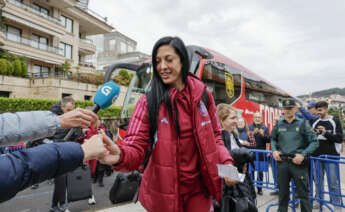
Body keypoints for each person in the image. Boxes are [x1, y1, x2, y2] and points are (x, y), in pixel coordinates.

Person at [98, 36, 236, 212]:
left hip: (200, 191)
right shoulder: (149, 101)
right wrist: (120, 156)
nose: (162, 66)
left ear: (183, 61)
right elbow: (136, 143)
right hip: (162, 195)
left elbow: (215, 137)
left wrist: (226, 162)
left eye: (169, 59)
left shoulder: (203, 95)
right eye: (158, 61)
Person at [0, 109, 106, 203]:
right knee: (61, 184)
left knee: (72, 180)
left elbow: (4, 125)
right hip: (65, 155)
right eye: (68, 109)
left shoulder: (82, 126)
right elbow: (10, 172)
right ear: (62, 107)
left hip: (68, 155)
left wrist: (57, 121)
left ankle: (66, 202)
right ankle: (57, 205)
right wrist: (79, 151)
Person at [271, 99, 318, 212]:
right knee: (282, 195)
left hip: (298, 164)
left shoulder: (302, 123)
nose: (288, 111)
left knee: (303, 196)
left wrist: (303, 154)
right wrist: (274, 150)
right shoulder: (279, 123)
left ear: (295, 109)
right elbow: (273, 138)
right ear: (283, 110)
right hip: (282, 163)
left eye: (291, 108)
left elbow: (314, 141)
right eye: (286, 108)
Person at [48, 96, 84, 212]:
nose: (70, 113)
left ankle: (54, 206)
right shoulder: (53, 118)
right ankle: (62, 205)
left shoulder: (75, 119)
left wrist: (79, 129)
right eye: (68, 110)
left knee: (61, 180)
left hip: (67, 152)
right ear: (61, 107)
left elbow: (77, 136)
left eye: (72, 110)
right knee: (61, 179)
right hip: (56, 152)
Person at [311, 101, 343, 211]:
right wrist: (312, 134)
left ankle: (337, 205)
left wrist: (325, 133)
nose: (318, 112)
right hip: (317, 158)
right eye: (317, 110)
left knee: (333, 183)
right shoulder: (315, 121)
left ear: (326, 109)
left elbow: (339, 138)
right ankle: (319, 201)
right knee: (318, 182)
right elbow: (311, 139)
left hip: (331, 158)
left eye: (320, 110)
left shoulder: (335, 121)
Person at [248, 112, 270, 195]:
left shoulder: (265, 127)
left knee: (260, 172)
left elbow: (268, 140)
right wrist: (253, 133)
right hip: (251, 153)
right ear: (253, 118)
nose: (257, 119)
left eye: (259, 117)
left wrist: (263, 134)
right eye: (256, 117)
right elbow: (246, 139)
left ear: (261, 119)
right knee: (251, 171)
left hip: (261, 154)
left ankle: (259, 188)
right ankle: (251, 188)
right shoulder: (249, 126)